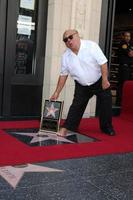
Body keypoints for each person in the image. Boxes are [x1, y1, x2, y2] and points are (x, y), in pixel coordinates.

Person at [50, 29, 115, 137]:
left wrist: (105, 79)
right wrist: (57, 92)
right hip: (82, 85)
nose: (68, 41)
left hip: (99, 81)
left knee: (106, 104)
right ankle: (68, 127)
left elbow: (103, 63)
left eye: (70, 37)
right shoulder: (66, 56)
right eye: (65, 40)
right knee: (76, 106)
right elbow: (63, 75)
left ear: (77, 36)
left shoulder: (91, 46)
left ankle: (107, 128)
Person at [116, 31, 133, 105]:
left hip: (129, 68)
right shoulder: (123, 44)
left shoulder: (130, 45)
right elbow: (130, 54)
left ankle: (125, 102)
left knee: (127, 85)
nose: (127, 37)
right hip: (124, 67)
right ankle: (119, 102)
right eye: (126, 36)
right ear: (123, 37)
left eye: (129, 36)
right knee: (122, 85)